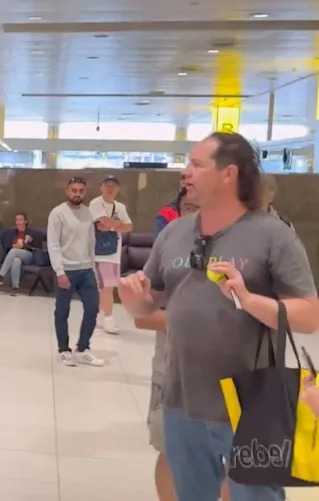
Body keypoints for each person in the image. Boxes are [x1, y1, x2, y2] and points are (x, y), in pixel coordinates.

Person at [119, 132, 319, 501]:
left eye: (196, 164)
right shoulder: (175, 234)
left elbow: (309, 316)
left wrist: (248, 299)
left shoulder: (274, 235)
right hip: (182, 400)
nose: (186, 172)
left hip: (253, 402)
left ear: (229, 173)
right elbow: (152, 304)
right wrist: (136, 301)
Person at [133, 191, 225, 501]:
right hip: (174, 370)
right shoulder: (170, 245)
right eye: (187, 207)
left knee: (236, 459)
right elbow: (143, 315)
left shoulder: (254, 243)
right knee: (171, 450)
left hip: (237, 374)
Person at [47, 176, 104, 367]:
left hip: (86, 269)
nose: (77, 194)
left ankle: (83, 349)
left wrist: (94, 270)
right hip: (66, 271)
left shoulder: (88, 213)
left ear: (85, 192)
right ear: (67, 191)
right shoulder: (58, 213)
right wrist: (59, 271)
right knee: (62, 311)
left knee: (93, 308)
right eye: (74, 190)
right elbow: (53, 244)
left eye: (81, 190)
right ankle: (63, 350)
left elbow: (91, 243)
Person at [88, 176, 133, 334]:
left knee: (107, 287)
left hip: (114, 253)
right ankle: (108, 319)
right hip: (99, 253)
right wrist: (117, 224)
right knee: (107, 286)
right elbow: (102, 221)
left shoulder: (120, 206)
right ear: (101, 187)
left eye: (113, 186)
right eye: (107, 185)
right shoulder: (96, 203)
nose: (110, 188)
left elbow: (129, 227)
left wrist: (112, 227)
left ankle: (96, 316)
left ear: (118, 189)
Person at [0, 211, 44, 295]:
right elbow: (5, 244)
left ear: (25, 221)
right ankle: (15, 287)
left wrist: (30, 241)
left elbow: (38, 245)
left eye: (21, 220)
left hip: (29, 256)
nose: (18, 222)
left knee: (14, 252)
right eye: (17, 220)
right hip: (15, 254)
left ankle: (1, 275)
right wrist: (13, 245)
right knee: (16, 260)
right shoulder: (12, 233)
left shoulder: (32, 233)